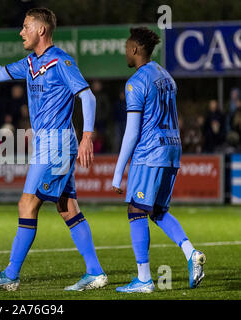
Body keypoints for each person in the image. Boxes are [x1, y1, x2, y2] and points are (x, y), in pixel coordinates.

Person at [0, 7, 107, 291]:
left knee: (27, 203)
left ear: (41, 30)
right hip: (45, 145)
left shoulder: (61, 61)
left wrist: (87, 137)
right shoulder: (30, 62)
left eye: (26, 27)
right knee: (67, 207)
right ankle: (95, 272)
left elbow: (88, 97)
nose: (21, 31)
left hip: (57, 144)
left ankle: (11, 275)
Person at [112, 27, 206, 293]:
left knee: (136, 210)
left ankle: (144, 280)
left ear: (135, 49)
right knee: (158, 211)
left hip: (149, 153)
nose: (125, 52)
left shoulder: (136, 81)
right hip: (172, 150)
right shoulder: (166, 76)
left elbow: (131, 132)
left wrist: (118, 173)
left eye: (127, 47)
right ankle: (191, 253)